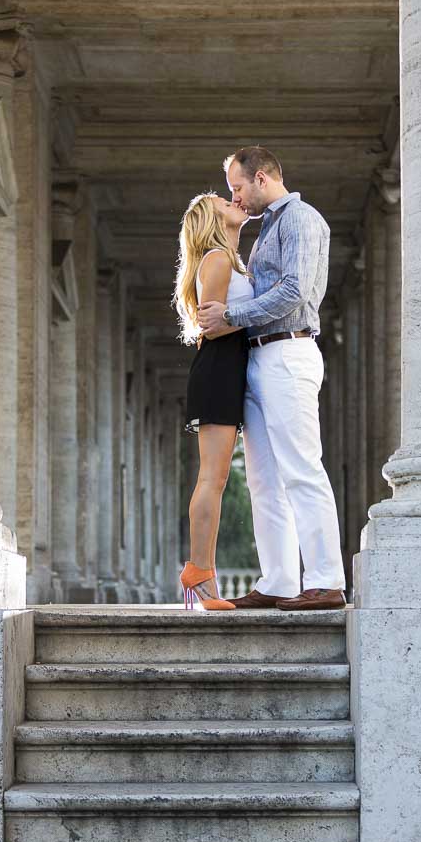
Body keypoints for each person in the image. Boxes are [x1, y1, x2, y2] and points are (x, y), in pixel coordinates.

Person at [198, 146, 346, 611]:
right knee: (263, 480)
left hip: (289, 350)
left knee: (302, 468)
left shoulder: (300, 217)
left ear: (261, 178)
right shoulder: (265, 231)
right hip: (260, 358)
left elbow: (295, 290)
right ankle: (279, 580)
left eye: (237, 188)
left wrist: (231, 315)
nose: (236, 198)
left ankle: (326, 579)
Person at [174, 192, 253, 610]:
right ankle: (200, 572)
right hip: (219, 369)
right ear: (212, 218)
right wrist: (262, 311)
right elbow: (213, 326)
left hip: (226, 370)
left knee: (215, 478)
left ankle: (202, 572)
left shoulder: (227, 260)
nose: (233, 201)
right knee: (213, 478)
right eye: (223, 201)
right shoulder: (219, 260)